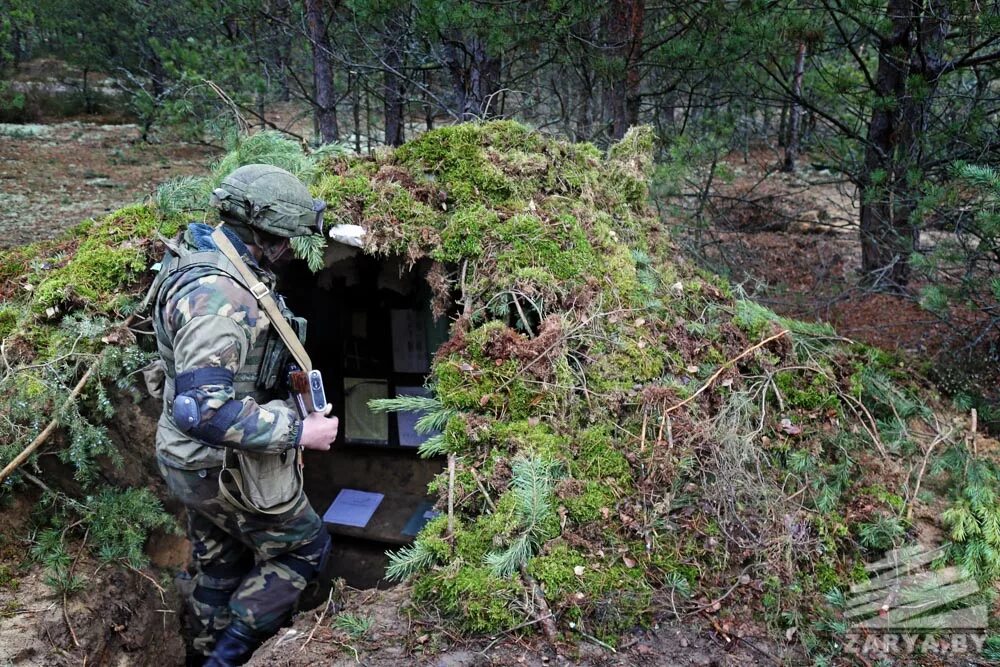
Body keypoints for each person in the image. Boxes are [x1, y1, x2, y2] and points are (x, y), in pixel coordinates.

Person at [148, 164, 339, 666]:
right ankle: (226, 659)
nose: (290, 250)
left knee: (222, 565)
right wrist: (302, 431)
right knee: (304, 550)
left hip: (191, 462)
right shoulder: (220, 295)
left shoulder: (204, 256)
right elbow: (201, 409)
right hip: (218, 463)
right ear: (263, 235)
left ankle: (203, 653)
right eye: (285, 239)